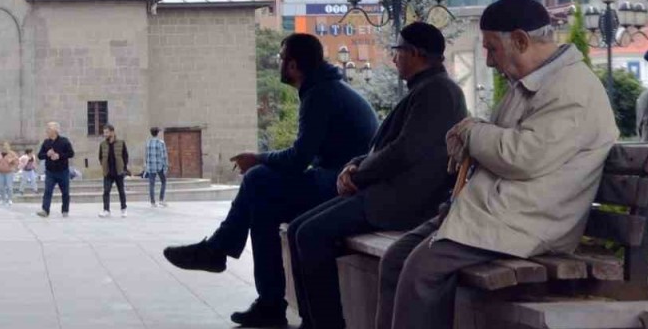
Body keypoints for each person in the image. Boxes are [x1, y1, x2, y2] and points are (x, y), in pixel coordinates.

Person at [376, 0, 618, 329]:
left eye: (491, 48)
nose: (489, 60)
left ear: (520, 40)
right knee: (396, 258)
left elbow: (522, 156)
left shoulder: (572, 89)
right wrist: (472, 134)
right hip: (500, 211)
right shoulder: (535, 82)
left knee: (422, 271)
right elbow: (501, 140)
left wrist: (472, 133)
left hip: (529, 221)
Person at [164, 33, 379, 328]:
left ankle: (221, 253)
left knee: (257, 180)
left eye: (280, 59)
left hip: (342, 185)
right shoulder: (326, 88)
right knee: (262, 204)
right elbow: (302, 158)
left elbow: (298, 158)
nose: (278, 64)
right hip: (337, 179)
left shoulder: (320, 94)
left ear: (292, 66)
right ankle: (268, 302)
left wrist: (259, 158)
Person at [287, 22, 467, 329]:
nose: (393, 58)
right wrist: (353, 165)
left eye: (397, 50)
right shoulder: (424, 88)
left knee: (310, 234)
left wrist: (358, 174)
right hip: (387, 192)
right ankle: (312, 321)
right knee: (297, 229)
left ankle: (327, 324)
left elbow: (405, 151)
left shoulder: (439, 92)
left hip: (405, 201)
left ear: (416, 53)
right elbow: (385, 146)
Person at [36, 122, 75, 218]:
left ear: (55, 131)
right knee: (48, 191)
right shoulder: (46, 142)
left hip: (63, 171)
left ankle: (65, 210)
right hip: (50, 172)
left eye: (49, 128)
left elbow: (71, 153)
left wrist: (59, 156)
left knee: (65, 192)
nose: (47, 131)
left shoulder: (64, 141)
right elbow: (40, 156)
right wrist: (47, 154)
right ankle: (45, 210)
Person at [98, 124, 130, 218]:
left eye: (107, 132)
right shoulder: (102, 144)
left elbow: (125, 156)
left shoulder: (121, 142)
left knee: (121, 191)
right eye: (104, 132)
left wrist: (123, 168)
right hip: (108, 172)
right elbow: (100, 157)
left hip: (119, 171)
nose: (105, 134)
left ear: (112, 132)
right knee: (106, 191)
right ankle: (106, 210)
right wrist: (104, 165)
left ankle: (123, 209)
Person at [145, 127, 169, 207]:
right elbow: (164, 156)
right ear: (158, 133)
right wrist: (166, 166)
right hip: (159, 166)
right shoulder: (161, 143)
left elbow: (146, 155)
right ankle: (161, 200)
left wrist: (146, 165)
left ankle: (152, 202)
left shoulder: (148, 143)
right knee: (164, 182)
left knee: (151, 184)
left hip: (151, 166)